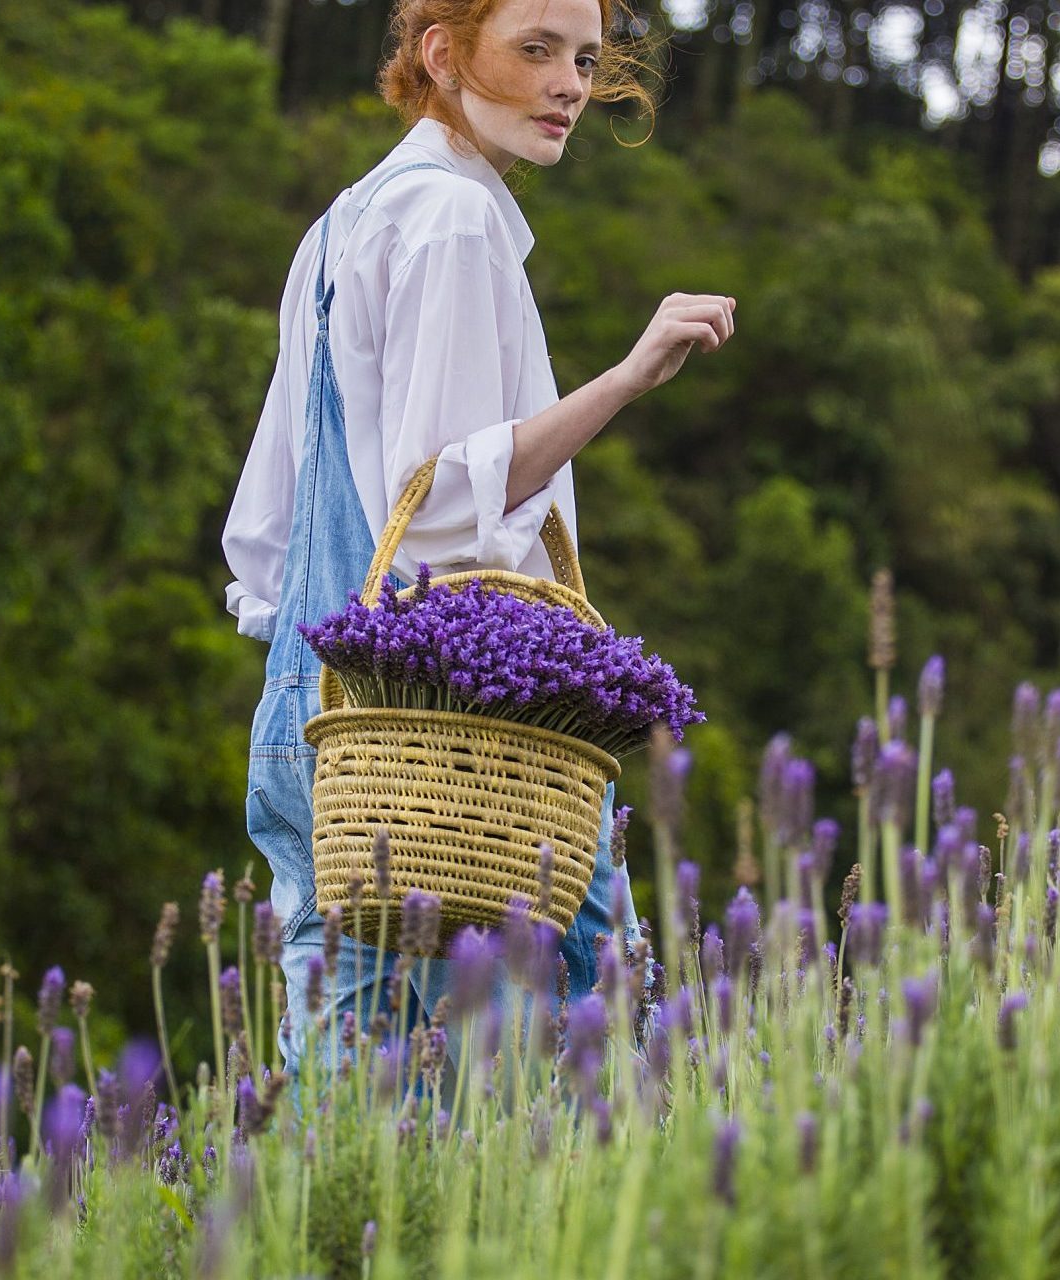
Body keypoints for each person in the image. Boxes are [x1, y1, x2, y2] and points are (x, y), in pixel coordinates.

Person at [220, 0, 735, 1075]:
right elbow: (444, 503)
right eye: (535, 50)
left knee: (346, 1095)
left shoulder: (342, 222)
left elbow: (266, 532)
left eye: (586, 59)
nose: (569, 86)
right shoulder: (452, 220)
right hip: (451, 743)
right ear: (444, 54)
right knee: (573, 1083)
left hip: (312, 712)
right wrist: (629, 377)